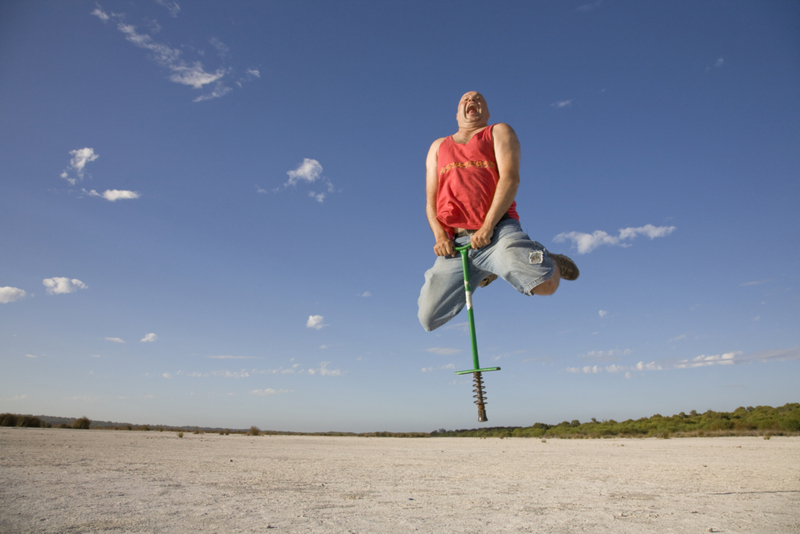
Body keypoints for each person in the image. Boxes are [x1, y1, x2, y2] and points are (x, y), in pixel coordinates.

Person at [418, 91, 579, 332]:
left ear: (487, 112)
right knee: (428, 319)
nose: (472, 101)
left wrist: (488, 226)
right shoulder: (438, 147)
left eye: (478, 99)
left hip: (497, 231)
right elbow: (431, 199)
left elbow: (511, 179)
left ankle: (548, 259)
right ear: (457, 114)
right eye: (465, 99)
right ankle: (486, 271)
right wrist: (440, 237)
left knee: (545, 284)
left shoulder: (497, 131)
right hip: (456, 242)